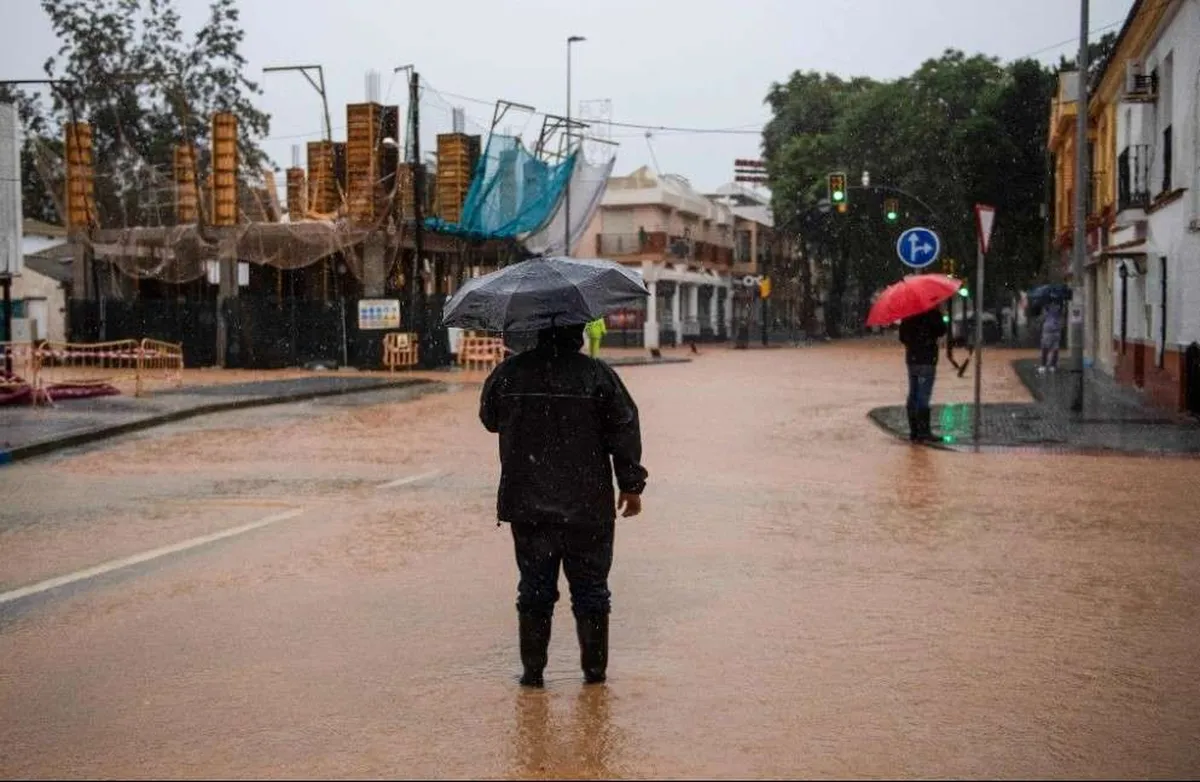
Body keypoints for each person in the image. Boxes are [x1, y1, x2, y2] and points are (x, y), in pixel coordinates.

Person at [480, 324, 648, 688]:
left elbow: (489, 420)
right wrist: (631, 485)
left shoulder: (510, 373)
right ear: (578, 331)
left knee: (535, 588)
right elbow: (624, 427)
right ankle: (594, 677)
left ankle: (533, 675)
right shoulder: (597, 374)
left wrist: (510, 380)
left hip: (528, 503)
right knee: (591, 590)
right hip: (587, 506)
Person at [898, 306, 947, 443]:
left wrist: (913, 343)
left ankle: (914, 431)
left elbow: (902, 337)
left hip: (912, 359)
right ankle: (924, 432)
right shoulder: (932, 312)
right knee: (923, 395)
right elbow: (942, 330)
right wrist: (939, 314)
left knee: (913, 393)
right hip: (927, 359)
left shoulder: (908, 313)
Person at [1039, 300, 1063, 374]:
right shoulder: (1059, 308)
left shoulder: (1046, 308)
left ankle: (1044, 365)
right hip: (1055, 331)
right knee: (1054, 349)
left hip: (1048, 331)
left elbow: (1042, 319)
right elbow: (1060, 318)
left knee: (1045, 349)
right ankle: (1052, 366)